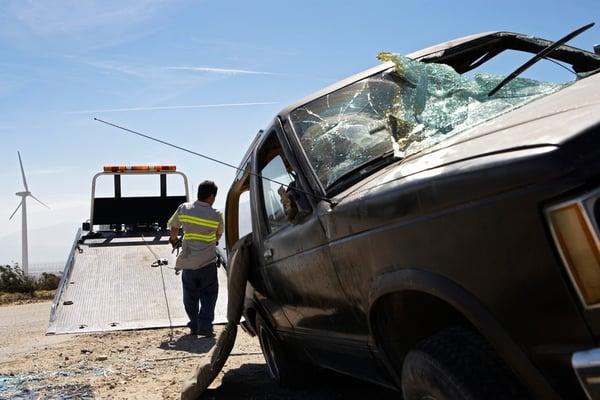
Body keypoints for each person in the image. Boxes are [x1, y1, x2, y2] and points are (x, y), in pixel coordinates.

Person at [168, 180, 223, 337]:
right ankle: (205, 327)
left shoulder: (184, 208)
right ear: (211, 196)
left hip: (189, 263)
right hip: (208, 263)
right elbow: (218, 236)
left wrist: (174, 239)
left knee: (189, 295)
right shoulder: (217, 215)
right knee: (209, 296)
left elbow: (174, 226)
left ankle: (194, 325)